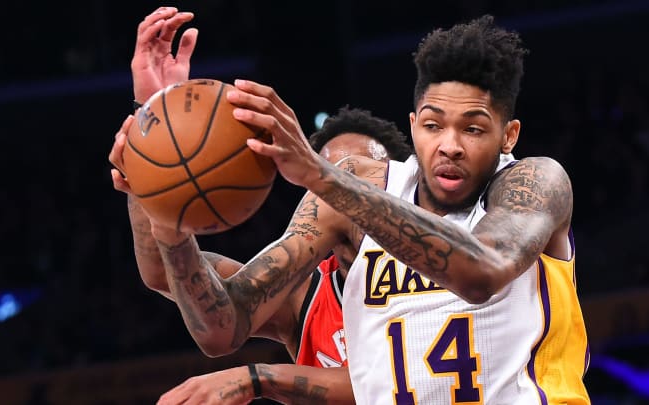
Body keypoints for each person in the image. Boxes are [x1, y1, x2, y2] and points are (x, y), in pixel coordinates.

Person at [120, 12, 591, 404]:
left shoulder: (536, 182)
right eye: (432, 125)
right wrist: (163, 194)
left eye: (472, 129)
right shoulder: (356, 194)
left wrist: (319, 174)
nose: (449, 145)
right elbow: (221, 328)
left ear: (508, 136)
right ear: (413, 125)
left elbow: (482, 272)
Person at [110, 9, 412, 403]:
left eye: (358, 180)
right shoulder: (301, 294)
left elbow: (400, 385)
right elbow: (163, 274)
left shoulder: (447, 270)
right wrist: (156, 133)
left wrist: (261, 377)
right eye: (328, 179)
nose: (340, 195)